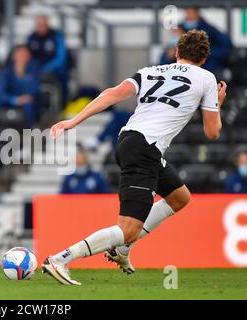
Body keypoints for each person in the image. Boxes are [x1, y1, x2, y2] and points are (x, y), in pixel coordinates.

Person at [44, 30, 226, 285]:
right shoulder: (206, 78)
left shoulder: (152, 71)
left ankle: (122, 250)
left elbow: (113, 93)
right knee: (127, 228)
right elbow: (212, 131)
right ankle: (60, 259)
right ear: (204, 59)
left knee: (179, 197)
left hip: (129, 140)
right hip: (144, 149)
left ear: (176, 53)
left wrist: (73, 121)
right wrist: (218, 103)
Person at [0, 45, 41, 126]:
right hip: (10, 100)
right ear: (14, 56)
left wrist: (21, 75)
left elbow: (33, 91)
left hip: (26, 102)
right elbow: (1, 92)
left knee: (30, 103)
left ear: (29, 57)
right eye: (19, 53)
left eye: (24, 54)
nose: (22, 56)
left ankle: (30, 129)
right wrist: (14, 100)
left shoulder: (33, 72)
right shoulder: (7, 73)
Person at [27, 15, 69, 103]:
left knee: (63, 74)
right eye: (39, 24)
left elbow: (61, 57)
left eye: (43, 24)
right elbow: (27, 56)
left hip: (54, 68)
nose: (41, 27)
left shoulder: (56, 36)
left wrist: (48, 68)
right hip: (36, 68)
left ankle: (63, 103)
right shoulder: (31, 38)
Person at [180, 7, 232, 73]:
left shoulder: (209, 29)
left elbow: (227, 44)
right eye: (187, 13)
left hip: (208, 69)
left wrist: (207, 53)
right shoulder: (180, 29)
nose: (188, 16)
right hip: (185, 71)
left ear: (197, 13)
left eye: (191, 13)